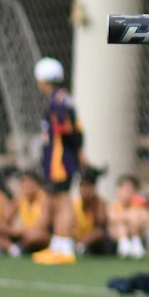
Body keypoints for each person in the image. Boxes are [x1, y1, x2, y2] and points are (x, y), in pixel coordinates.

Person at [30, 57, 86, 265]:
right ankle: (57, 244)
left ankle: (64, 247)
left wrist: (75, 153)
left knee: (63, 201)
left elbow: (67, 129)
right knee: (55, 200)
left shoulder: (58, 101)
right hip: (58, 158)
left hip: (60, 160)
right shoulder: (59, 99)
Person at [109, 172, 149, 259]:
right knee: (121, 225)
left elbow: (145, 219)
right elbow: (112, 218)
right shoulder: (114, 205)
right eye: (125, 190)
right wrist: (129, 216)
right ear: (119, 190)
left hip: (135, 232)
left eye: (130, 190)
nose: (127, 193)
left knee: (134, 217)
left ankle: (136, 246)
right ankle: (124, 246)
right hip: (117, 235)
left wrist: (131, 217)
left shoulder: (138, 205)